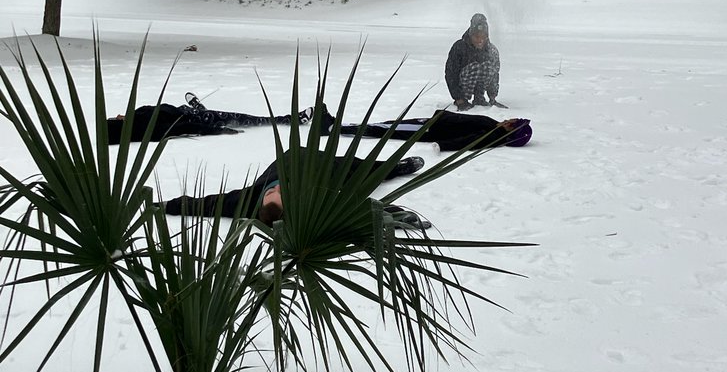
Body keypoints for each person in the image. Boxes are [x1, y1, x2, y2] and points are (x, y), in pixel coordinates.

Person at [163, 148, 427, 225]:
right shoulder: (308, 200)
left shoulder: (247, 199)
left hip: (294, 155)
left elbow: (207, 204)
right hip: (319, 169)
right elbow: (353, 209)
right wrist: (397, 215)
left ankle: (392, 166)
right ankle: (395, 168)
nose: (274, 190)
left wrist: (165, 206)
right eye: (278, 195)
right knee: (358, 169)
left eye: (270, 193)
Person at [106, 93, 310, 144]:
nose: (118, 117)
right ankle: (288, 120)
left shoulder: (134, 118)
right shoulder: (147, 130)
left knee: (209, 113)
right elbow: (183, 128)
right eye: (117, 121)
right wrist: (219, 130)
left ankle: (199, 106)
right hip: (198, 119)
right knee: (245, 119)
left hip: (184, 110)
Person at [333, 109, 531, 151]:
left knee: (385, 129)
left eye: (513, 121)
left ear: (510, 128)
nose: (510, 118)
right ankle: (342, 125)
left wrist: (443, 145)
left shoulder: (492, 134)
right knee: (388, 124)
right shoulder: (494, 126)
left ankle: (335, 127)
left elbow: (469, 142)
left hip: (429, 130)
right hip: (432, 122)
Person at [444, 13, 501, 111]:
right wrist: (458, 98)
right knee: (475, 67)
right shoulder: (459, 47)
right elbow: (450, 74)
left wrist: (492, 96)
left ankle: (479, 97)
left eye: (483, 37)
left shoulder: (491, 50)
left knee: (489, 66)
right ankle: (463, 99)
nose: (480, 40)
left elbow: (495, 74)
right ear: (471, 34)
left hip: (481, 85)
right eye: (476, 37)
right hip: (463, 85)